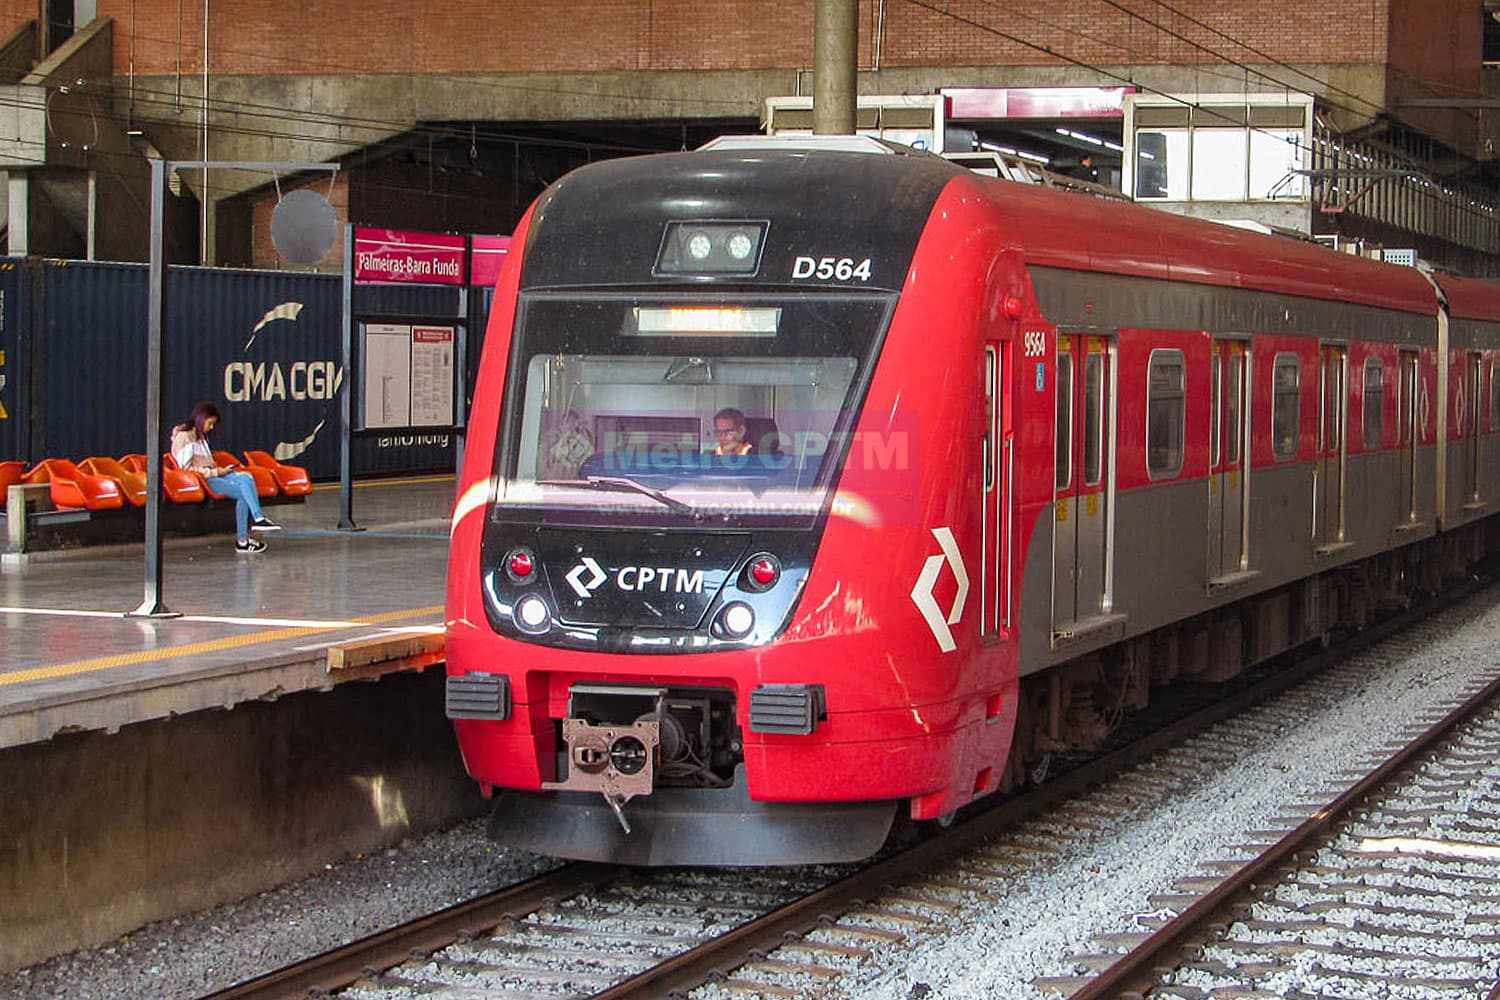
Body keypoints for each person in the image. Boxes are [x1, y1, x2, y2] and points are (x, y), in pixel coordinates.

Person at [171, 401, 280, 554]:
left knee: (246, 477)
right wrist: (216, 472)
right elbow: (186, 470)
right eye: (210, 423)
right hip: (203, 480)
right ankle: (244, 538)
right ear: (202, 418)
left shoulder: (201, 437)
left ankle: (258, 518)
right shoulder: (185, 437)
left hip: (213, 474)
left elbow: (204, 462)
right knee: (244, 495)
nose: (211, 427)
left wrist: (219, 469)